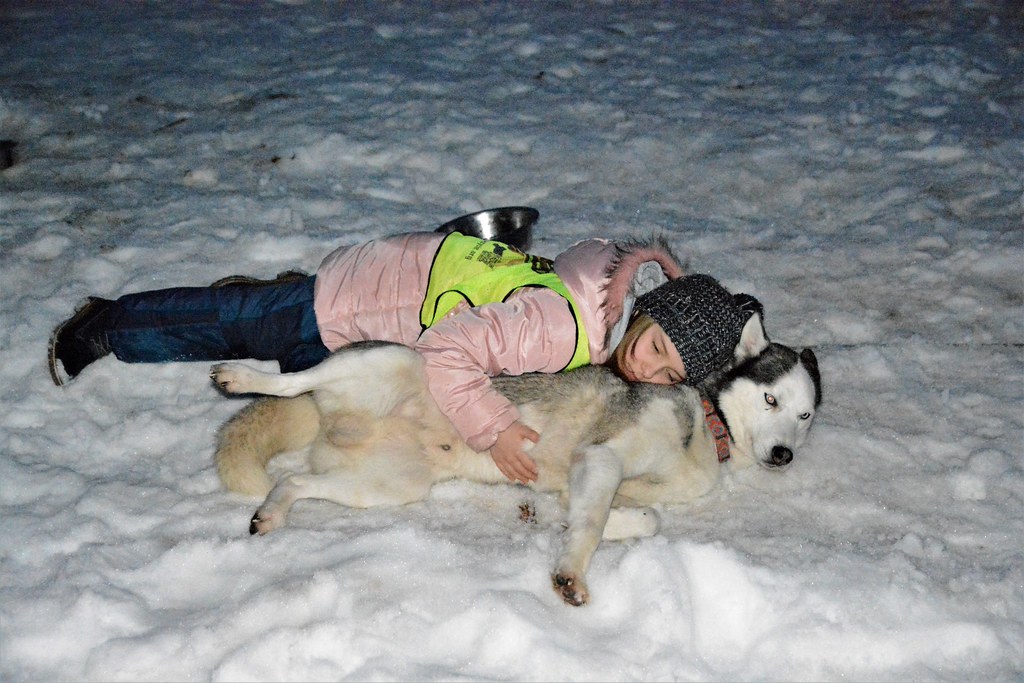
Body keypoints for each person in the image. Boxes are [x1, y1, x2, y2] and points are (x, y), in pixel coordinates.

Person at [49, 230, 760, 484]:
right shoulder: (559, 327)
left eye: (669, 373)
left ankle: (259, 303)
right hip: (355, 306)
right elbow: (452, 352)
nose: (651, 371)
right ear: (652, 310)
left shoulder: (606, 288)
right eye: (658, 348)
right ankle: (106, 324)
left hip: (388, 301)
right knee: (228, 327)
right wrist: (494, 428)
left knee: (262, 337)